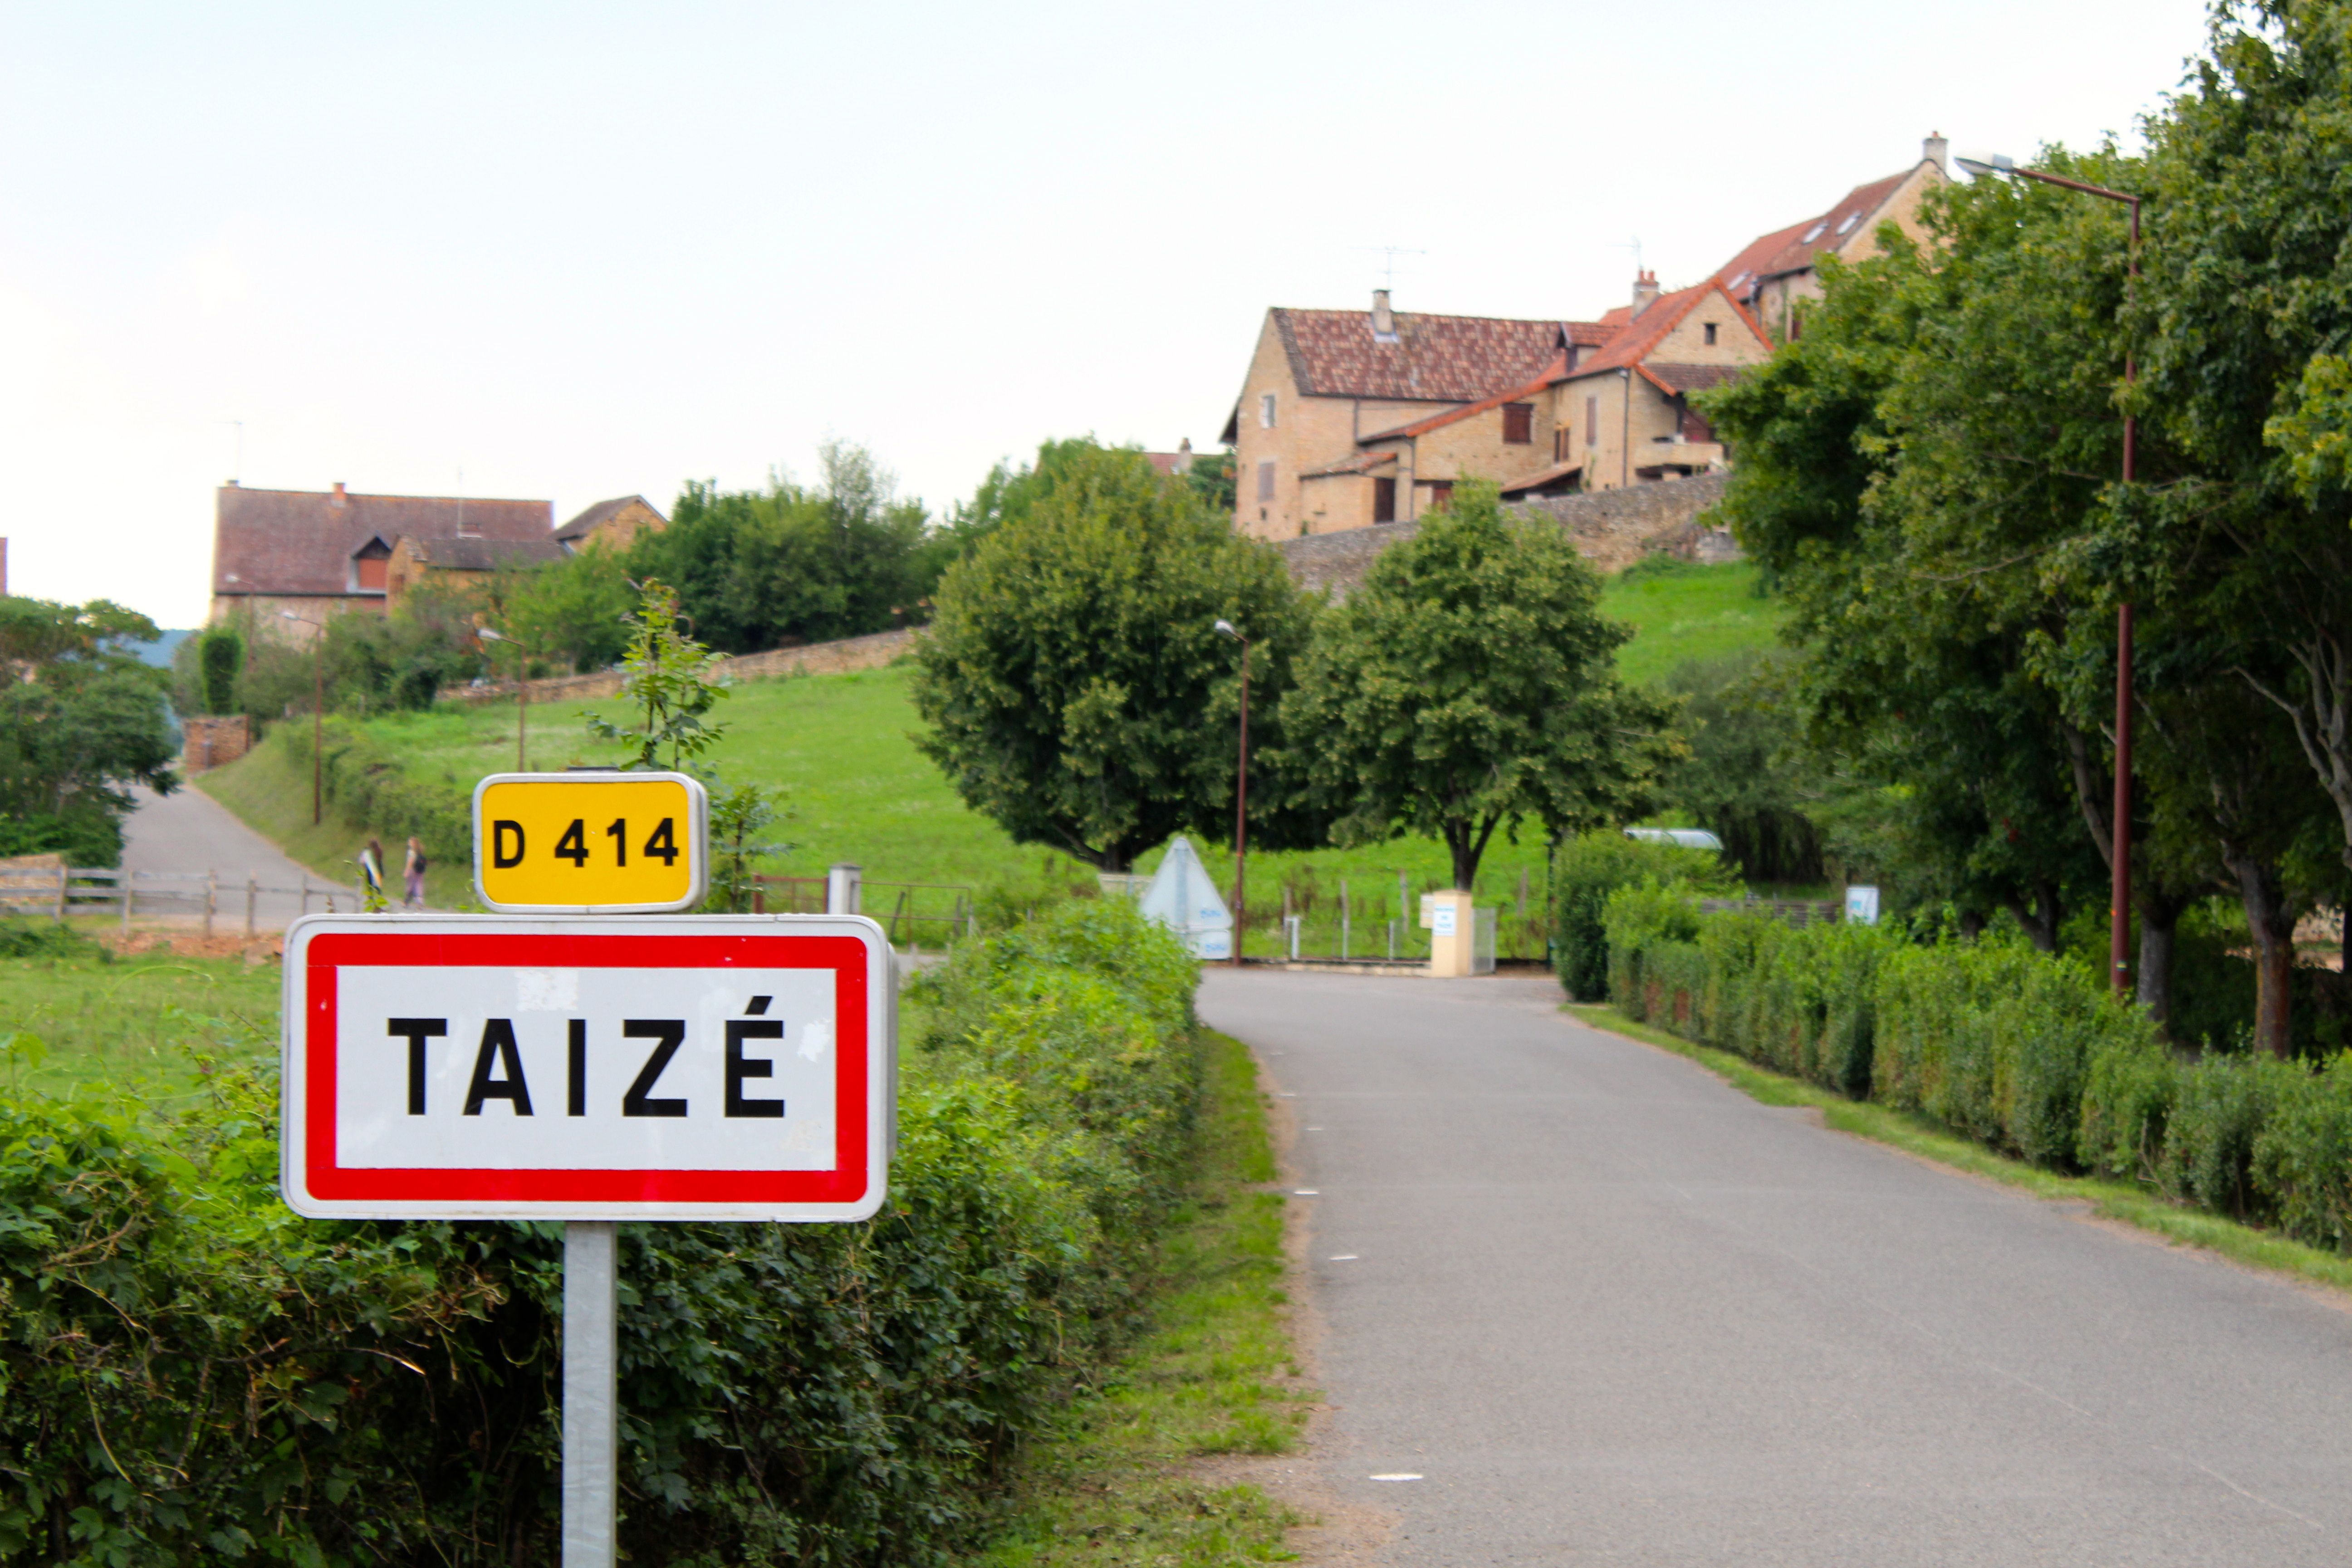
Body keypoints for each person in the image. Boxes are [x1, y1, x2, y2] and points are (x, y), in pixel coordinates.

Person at [403, 837, 428, 910]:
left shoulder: (411, 852)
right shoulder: (420, 850)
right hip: (420, 872)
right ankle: (420, 903)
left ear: (413, 844)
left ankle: (406, 902)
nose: (409, 844)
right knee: (419, 887)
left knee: (411, 887)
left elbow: (410, 862)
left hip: (412, 871)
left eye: (410, 842)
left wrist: (407, 871)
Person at [359, 838, 385, 904]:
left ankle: (370, 898)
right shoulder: (379, 851)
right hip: (378, 870)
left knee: (370, 885)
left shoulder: (367, 852)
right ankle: (379, 897)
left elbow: (363, 862)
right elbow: (380, 860)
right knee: (377, 886)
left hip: (370, 870)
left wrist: (364, 866)